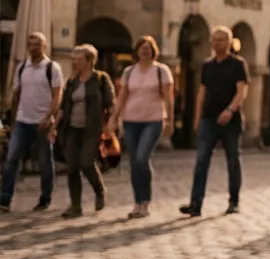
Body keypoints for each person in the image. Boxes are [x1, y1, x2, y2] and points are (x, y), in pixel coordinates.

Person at [180, 26, 249, 217]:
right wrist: (196, 118)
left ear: (228, 42)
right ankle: (195, 204)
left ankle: (234, 202)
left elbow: (242, 91)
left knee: (233, 160)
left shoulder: (238, 64)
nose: (215, 43)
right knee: (201, 160)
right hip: (208, 119)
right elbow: (201, 93)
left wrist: (230, 110)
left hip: (231, 121)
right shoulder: (207, 65)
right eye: (214, 39)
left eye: (220, 40)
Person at [109, 35, 174, 218]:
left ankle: (145, 201)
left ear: (154, 50)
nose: (145, 50)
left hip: (153, 120)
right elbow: (122, 96)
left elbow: (168, 98)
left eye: (148, 48)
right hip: (131, 121)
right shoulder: (129, 71)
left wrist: (169, 120)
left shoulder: (161, 71)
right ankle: (137, 202)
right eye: (142, 47)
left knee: (141, 159)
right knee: (134, 163)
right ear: (136, 51)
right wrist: (114, 117)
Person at [1, 32, 64, 213]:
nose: (33, 48)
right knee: (11, 159)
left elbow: (57, 96)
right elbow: (16, 95)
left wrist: (47, 118)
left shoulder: (52, 68)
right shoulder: (22, 67)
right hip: (22, 120)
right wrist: (12, 121)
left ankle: (45, 198)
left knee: (45, 162)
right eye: (31, 45)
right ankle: (4, 199)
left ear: (44, 47)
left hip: (42, 123)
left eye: (37, 45)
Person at [52, 44, 115, 218]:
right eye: (73, 59)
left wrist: (112, 124)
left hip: (92, 130)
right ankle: (75, 206)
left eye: (78, 59)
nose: (74, 62)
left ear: (89, 61)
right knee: (72, 167)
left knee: (87, 162)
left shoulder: (101, 79)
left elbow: (111, 104)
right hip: (72, 129)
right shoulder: (72, 81)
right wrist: (54, 125)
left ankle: (100, 190)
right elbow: (64, 106)